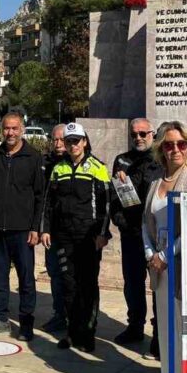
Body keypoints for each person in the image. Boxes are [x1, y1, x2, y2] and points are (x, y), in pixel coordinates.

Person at [143, 121, 187, 364]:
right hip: (159, 267)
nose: (175, 149)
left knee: (184, 327)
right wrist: (151, 254)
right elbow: (145, 223)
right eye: (169, 145)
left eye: (181, 144)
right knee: (165, 325)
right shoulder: (155, 183)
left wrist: (164, 256)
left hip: (183, 264)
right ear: (162, 149)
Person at [40, 122, 111, 353]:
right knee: (68, 285)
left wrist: (102, 233)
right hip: (64, 237)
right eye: (69, 141)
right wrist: (46, 229)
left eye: (76, 141)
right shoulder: (58, 168)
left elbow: (105, 204)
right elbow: (49, 204)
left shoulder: (97, 167)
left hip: (88, 237)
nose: (72, 145)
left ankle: (88, 333)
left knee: (87, 285)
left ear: (85, 142)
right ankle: (72, 332)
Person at [0, 113, 44, 341]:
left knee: (26, 279)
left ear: (22, 129)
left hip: (23, 231)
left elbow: (39, 196)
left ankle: (26, 322)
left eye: (15, 128)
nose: (10, 133)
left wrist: (36, 227)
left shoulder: (33, 157)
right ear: (1, 130)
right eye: (6, 129)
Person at [108, 117, 159, 345]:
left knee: (158, 285)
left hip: (156, 235)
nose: (138, 138)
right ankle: (134, 326)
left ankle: (159, 334)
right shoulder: (122, 160)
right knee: (133, 283)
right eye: (134, 134)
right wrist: (120, 220)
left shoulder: (160, 160)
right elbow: (115, 196)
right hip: (131, 233)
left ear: (153, 134)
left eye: (143, 134)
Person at [42, 124, 68, 334]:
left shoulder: (85, 165)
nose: (59, 144)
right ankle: (59, 315)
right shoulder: (46, 164)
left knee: (73, 277)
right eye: (55, 140)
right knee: (55, 274)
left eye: (63, 139)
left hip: (74, 233)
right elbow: (44, 201)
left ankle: (77, 318)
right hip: (52, 232)